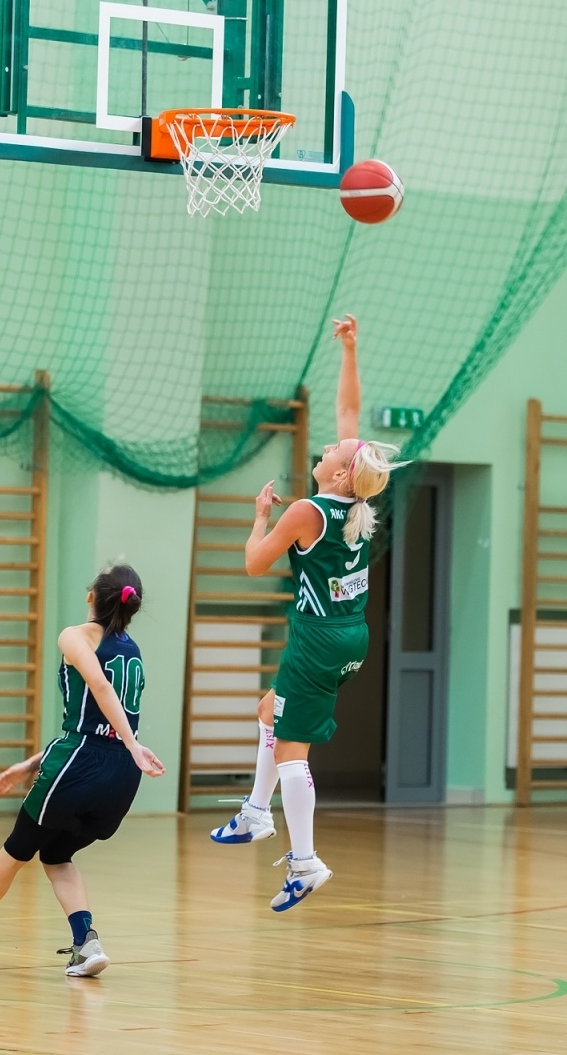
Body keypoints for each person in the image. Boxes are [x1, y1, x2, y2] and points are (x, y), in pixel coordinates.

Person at [209, 314, 404, 910]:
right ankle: (253, 813)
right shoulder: (355, 502)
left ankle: (305, 860)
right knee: (269, 710)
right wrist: (350, 351)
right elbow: (350, 421)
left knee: (292, 749)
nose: (326, 445)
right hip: (350, 637)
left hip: (317, 639)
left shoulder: (306, 511)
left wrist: (261, 516)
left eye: (332, 452)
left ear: (341, 471)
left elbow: (252, 565)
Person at [0, 564, 164, 975]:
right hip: (120, 776)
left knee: (15, 850)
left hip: (83, 762)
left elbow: (97, 689)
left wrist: (131, 741)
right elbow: (95, 721)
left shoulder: (75, 636)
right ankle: (86, 943)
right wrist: (35, 762)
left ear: (92, 595)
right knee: (57, 855)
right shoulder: (132, 649)